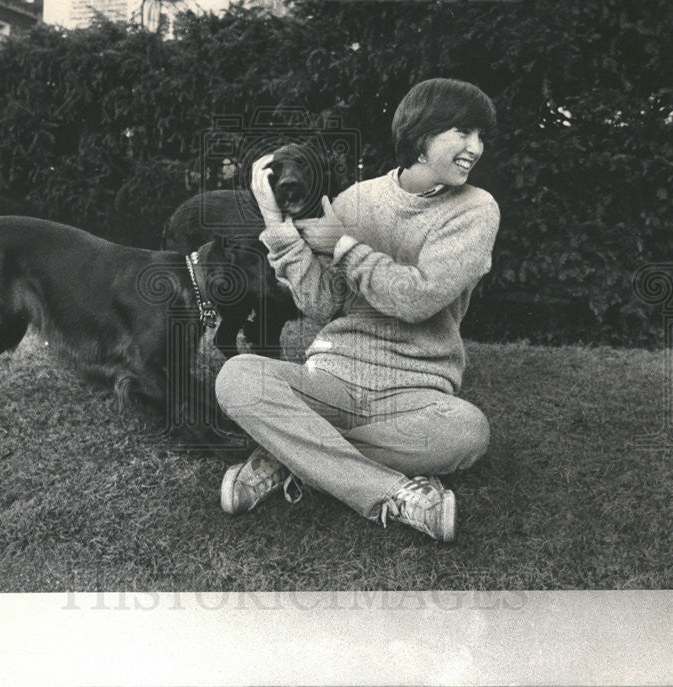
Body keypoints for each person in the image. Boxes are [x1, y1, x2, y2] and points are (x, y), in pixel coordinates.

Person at [214, 78, 500, 542]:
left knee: (468, 431)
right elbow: (322, 305)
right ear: (421, 135)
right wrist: (275, 223)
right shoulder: (356, 200)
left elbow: (418, 297)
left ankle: (292, 454)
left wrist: (343, 246)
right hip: (332, 377)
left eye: (482, 137)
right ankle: (393, 492)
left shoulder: (476, 210)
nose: (476, 148)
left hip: (416, 391)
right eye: (463, 132)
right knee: (237, 376)